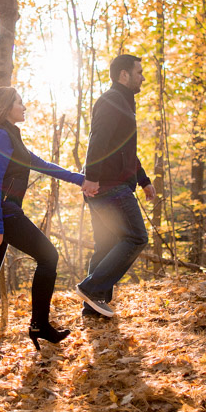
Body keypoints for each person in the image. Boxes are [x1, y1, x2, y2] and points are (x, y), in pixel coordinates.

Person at [0, 87, 88, 365]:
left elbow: (41, 164)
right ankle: (38, 324)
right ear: (6, 108)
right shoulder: (1, 137)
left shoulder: (9, 136)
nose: (24, 106)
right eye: (19, 102)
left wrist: (79, 179)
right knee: (48, 256)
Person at [75, 54, 156, 319]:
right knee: (136, 237)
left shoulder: (123, 103)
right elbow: (97, 139)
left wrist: (143, 180)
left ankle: (94, 308)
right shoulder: (112, 101)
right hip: (107, 185)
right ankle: (91, 288)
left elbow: (124, 150)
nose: (142, 77)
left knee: (106, 245)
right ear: (124, 74)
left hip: (105, 183)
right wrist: (93, 177)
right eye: (139, 72)